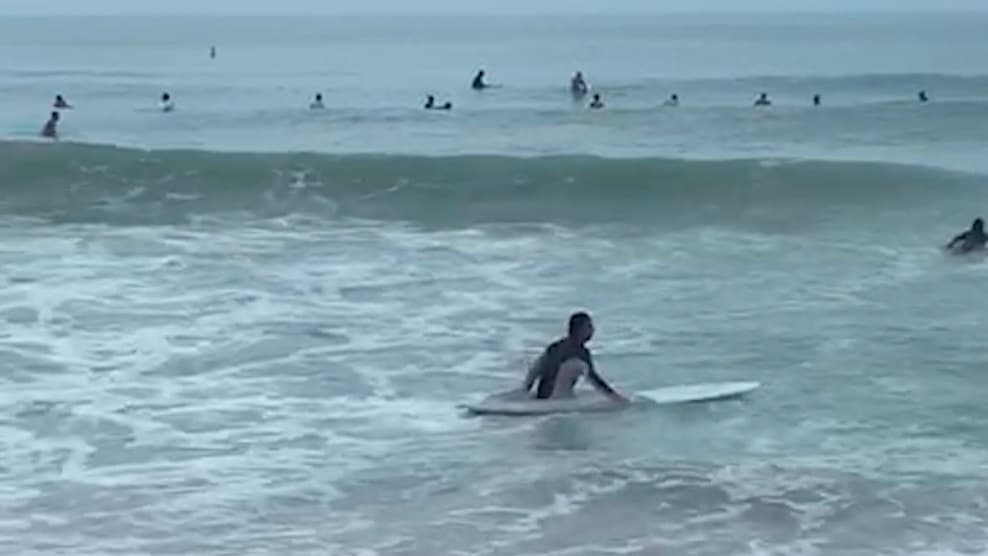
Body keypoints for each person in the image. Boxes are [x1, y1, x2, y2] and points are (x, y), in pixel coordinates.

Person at [520, 312, 629, 403]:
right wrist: (616, 398)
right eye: (589, 326)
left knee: (543, 364)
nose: (592, 330)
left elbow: (535, 371)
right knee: (577, 366)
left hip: (541, 397)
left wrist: (526, 392)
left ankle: (527, 394)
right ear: (579, 330)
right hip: (557, 401)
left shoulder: (555, 346)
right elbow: (594, 380)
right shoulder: (581, 353)